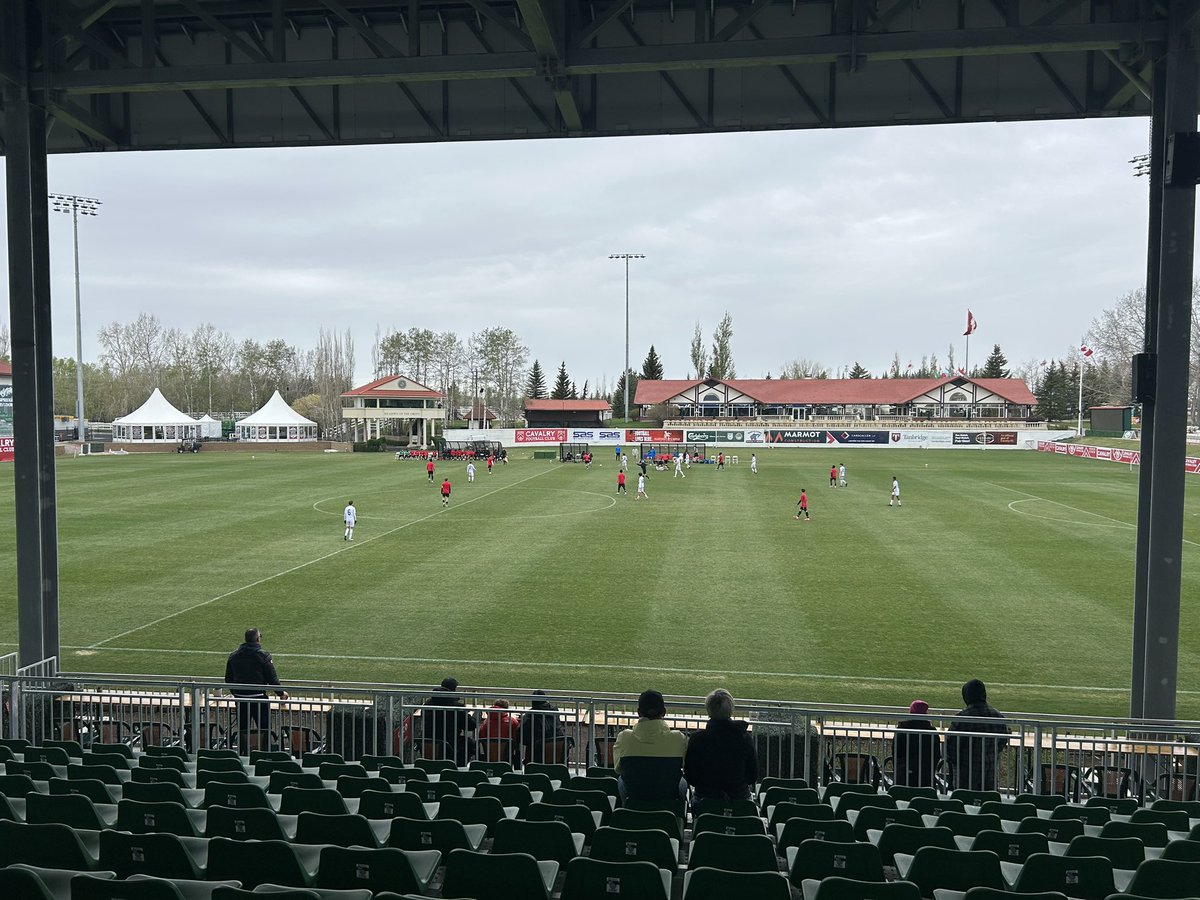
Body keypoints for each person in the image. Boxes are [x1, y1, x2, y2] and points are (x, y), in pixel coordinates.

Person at [684, 689, 758, 805]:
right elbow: (752, 775)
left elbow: (691, 775)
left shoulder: (697, 739)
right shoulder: (744, 738)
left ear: (709, 710)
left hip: (705, 799)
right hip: (739, 797)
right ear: (731, 709)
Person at [612, 689, 687, 804]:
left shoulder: (624, 737)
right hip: (667, 801)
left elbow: (618, 769)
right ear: (664, 712)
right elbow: (686, 767)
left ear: (639, 712)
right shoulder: (678, 738)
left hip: (635, 800)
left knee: (621, 779)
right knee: (682, 782)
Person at [225, 628, 289, 753]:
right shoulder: (263, 656)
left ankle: (244, 752)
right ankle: (264, 752)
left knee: (243, 729)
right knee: (264, 729)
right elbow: (272, 679)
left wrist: (236, 692)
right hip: (259, 699)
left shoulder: (233, 656)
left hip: (240, 699)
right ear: (258, 639)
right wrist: (281, 693)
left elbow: (228, 678)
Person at [945, 679, 1009, 791]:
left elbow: (950, 746)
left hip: (966, 773)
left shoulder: (961, 718)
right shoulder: (998, 717)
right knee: (988, 799)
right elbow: (1003, 740)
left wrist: (958, 763)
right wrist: (991, 754)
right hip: (990, 771)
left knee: (964, 799)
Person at [423, 677, 477, 764]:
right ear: (454, 689)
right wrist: (471, 717)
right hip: (451, 743)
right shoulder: (457, 707)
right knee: (471, 743)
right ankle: (460, 767)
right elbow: (470, 726)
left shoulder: (427, 704)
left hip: (429, 742)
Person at [893, 700, 942, 788]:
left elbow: (895, 752)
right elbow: (936, 754)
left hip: (902, 777)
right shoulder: (932, 731)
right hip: (926, 778)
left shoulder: (901, 729)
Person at [517, 690, 569, 765]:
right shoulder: (554, 711)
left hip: (538, 755)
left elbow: (520, 736)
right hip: (558, 753)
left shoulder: (530, 715)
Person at [477, 699, 520, 764]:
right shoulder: (512, 721)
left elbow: (481, 736)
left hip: (489, 755)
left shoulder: (485, 722)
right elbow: (517, 737)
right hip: (507, 756)